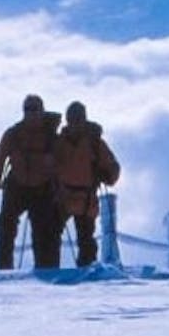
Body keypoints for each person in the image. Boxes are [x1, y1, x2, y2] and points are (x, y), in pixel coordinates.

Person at [0, 94, 62, 269]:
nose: (31, 113)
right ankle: (5, 266)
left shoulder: (49, 136)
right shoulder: (15, 134)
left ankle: (44, 268)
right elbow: (0, 157)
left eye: (34, 109)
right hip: (19, 185)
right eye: (28, 109)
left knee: (42, 229)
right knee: (6, 225)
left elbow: (61, 161)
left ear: (42, 110)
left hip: (41, 187)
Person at [53, 101, 121, 267]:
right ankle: (78, 269)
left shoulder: (92, 143)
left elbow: (112, 168)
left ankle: (55, 269)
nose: (75, 123)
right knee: (55, 234)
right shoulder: (91, 142)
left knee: (83, 238)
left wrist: (107, 174)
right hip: (70, 197)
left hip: (80, 198)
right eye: (73, 119)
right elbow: (113, 169)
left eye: (78, 119)